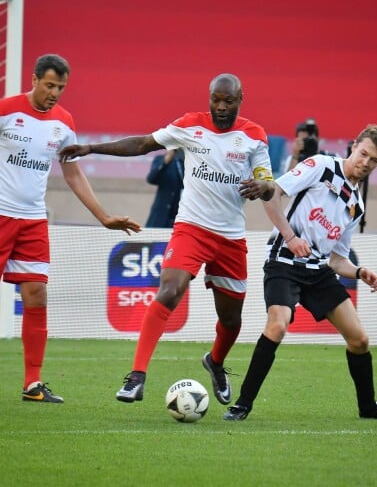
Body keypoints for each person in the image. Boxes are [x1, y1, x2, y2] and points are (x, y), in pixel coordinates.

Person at [0, 54, 141, 403]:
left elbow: (73, 173)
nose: (55, 93)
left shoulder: (63, 123)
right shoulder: (4, 110)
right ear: (36, 79)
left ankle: (33, 384)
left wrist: (103, 216)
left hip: (33, 219)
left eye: (61, 88)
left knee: (36, 294)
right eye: (50, 85)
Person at [59, 73, 275, 405]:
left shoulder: (253, 135)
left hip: (230, 238)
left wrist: (263, 186)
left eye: (227, 101)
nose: (220, 106)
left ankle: (215, 362)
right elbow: (143, 143)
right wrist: (90, 148)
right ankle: (136, 377)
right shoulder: (190, 125)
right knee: (169, 290)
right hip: (192, 228)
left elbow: (266, 179)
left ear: (240, 99)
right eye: (215, 99)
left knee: (231, 320)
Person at [223, 125, 377, 421]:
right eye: (363, 154)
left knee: (360, 340)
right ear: (353, 146)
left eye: (374, 160)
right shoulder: (323, 165)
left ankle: (368, 407)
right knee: (278, 325)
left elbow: (337, 261)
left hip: (319, 272)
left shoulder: (356, 206)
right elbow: (272, 194)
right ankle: (242, 404)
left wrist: (359, 270)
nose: (365, 163)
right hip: (283, 261)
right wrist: (289, 237)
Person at [145, 148, 185, 228]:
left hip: (179, 217)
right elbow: (151, 179)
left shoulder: (187, 164)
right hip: (160, 216)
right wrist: (165, 161)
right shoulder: (160, 159)